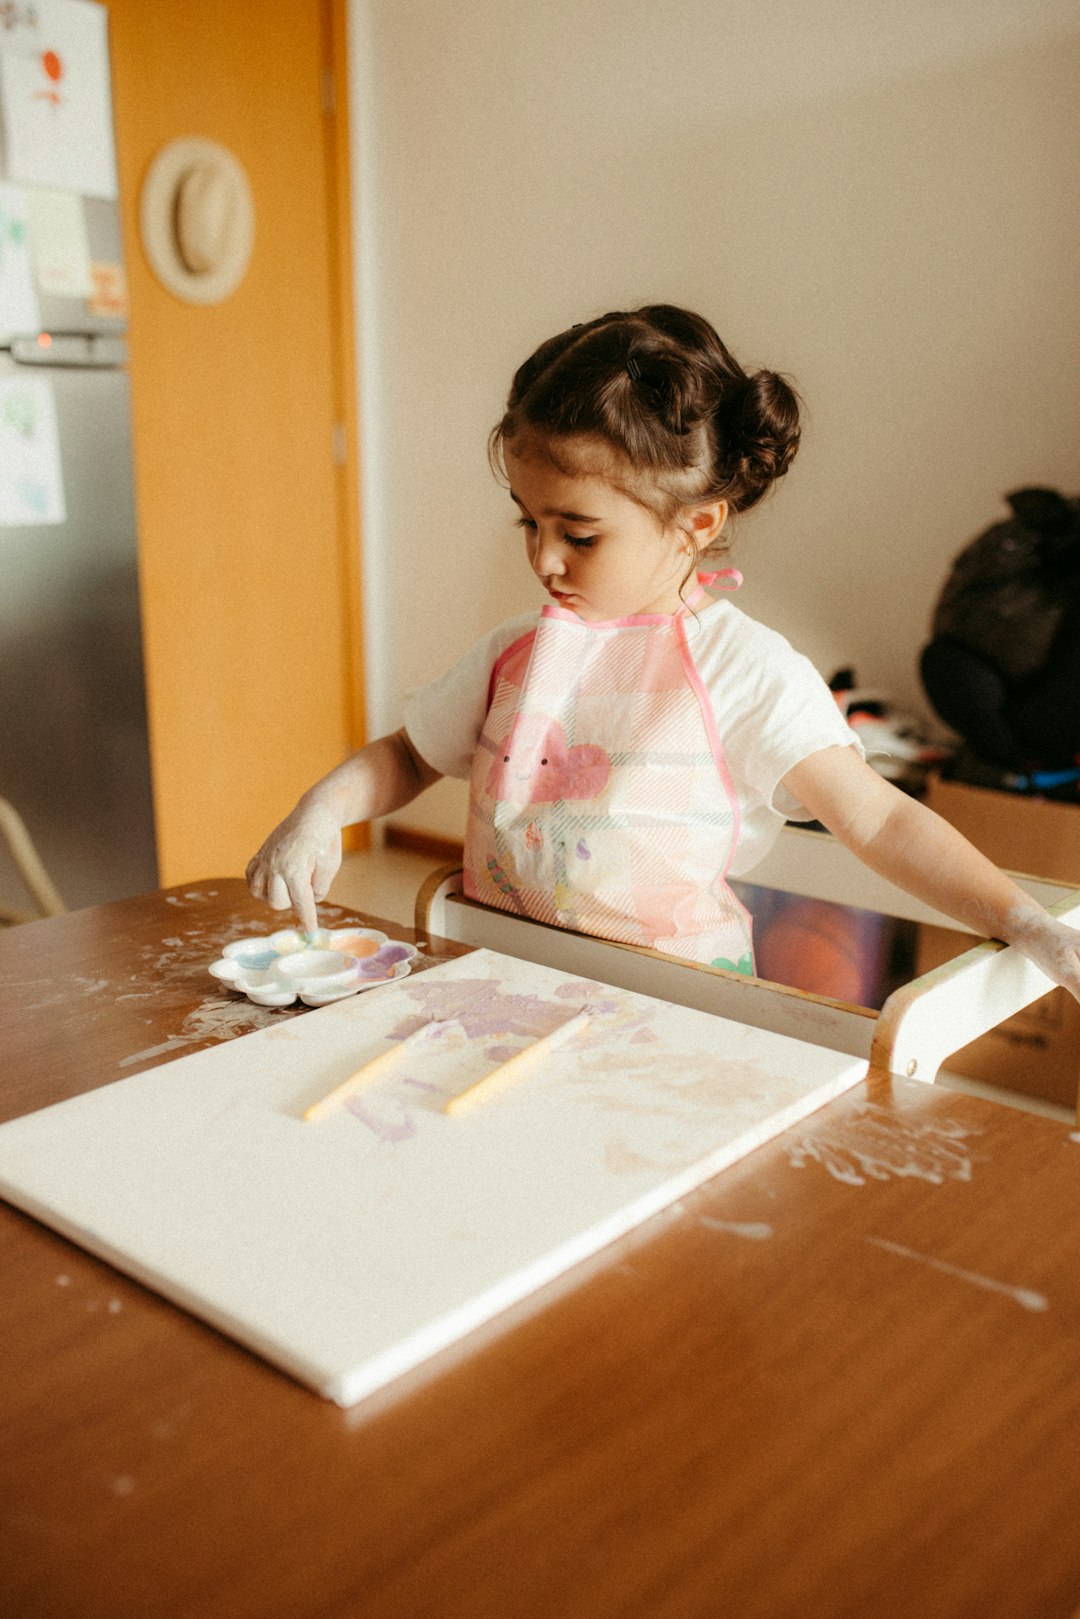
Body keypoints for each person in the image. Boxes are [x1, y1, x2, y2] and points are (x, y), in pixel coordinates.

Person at [247, 304, 1080, 1000]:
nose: (543, 559)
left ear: (696, 524)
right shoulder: (518, 653)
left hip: (673, 1011)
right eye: (529, 522)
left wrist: (1022, 919)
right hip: (505, 986)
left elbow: (883, 818)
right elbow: (409, 755)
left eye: (578, 534)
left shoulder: (743, 671)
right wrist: (320, 810)